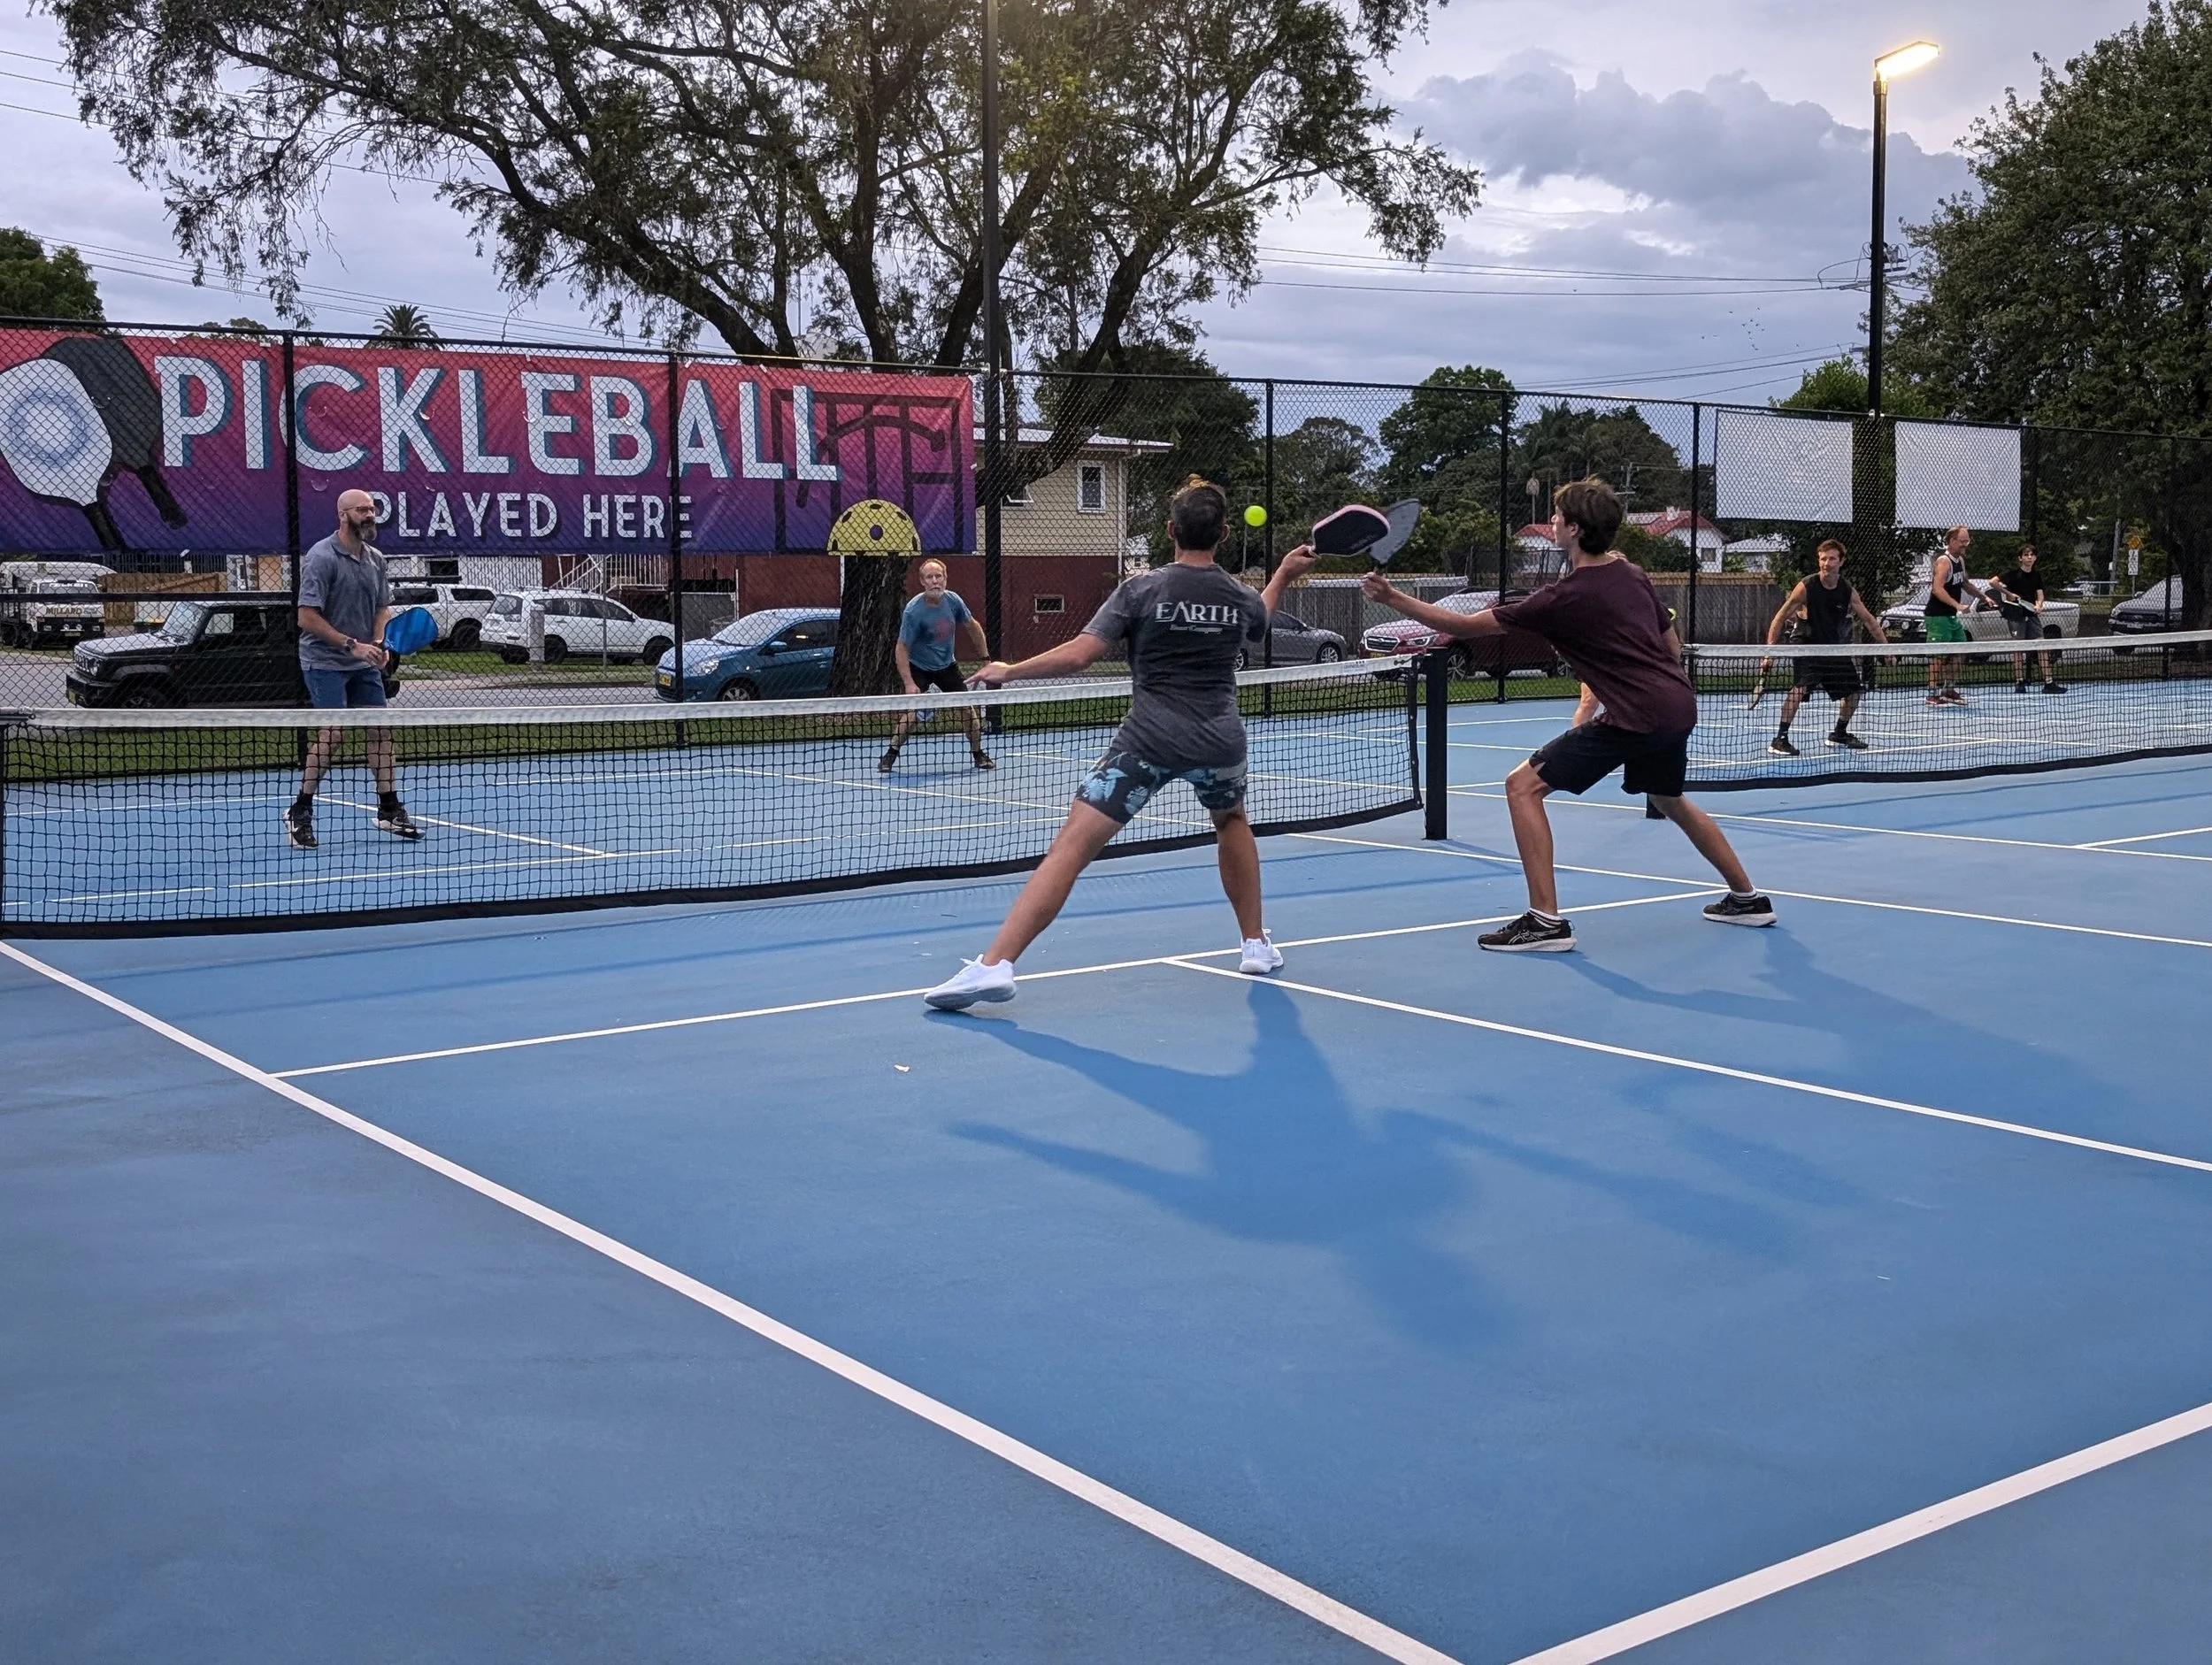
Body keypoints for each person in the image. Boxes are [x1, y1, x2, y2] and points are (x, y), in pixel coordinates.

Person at [923, 478, 1317, 1009]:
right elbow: (1259, 621)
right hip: (1219, 743)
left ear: (1171, 530)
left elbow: (1080, 655)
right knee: (1231, 822)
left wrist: (1010, 671)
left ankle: (994, 966)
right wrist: (1282, 576)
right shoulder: (1240, 597)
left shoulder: (1142, 589)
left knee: (1071, 848)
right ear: (1223, 533)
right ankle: (1254, 944)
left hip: (1148, 743)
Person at [1362, 478, 1773, 952]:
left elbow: (1464, 627)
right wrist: (1655, 685)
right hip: (1678, 705)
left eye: (1557, 516)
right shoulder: (1632, 574)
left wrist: (1393, 598)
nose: (1552, 522)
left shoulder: (1562, 598)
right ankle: (1748, 898)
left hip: (1638, 715)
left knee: (1522, 786)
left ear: (1574, 530)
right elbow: (1669, 641)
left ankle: (1544, 921)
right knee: (1668, 798)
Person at [284, 489, 421, 849]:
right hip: (324, 660)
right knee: (333, 734)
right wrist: (351, 645)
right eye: (362, 510)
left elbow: (382, 608)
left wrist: (377, 643)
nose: (370, 515)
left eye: (372, 510)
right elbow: (306, 617)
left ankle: (389, 808)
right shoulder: (321, 557)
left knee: (380, 730)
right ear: (343, 515)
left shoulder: (376, 559)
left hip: (363, 660)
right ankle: (301, 809)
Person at [1763, 538, 1888, 755]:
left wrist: (1887, 648)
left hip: (1833, 647)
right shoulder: (1806, 587)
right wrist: (1769, 652)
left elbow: (1869, 620)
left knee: (1854, 693)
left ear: (1841, 562)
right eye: (1823, 559)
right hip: (1806, 646)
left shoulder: (1847, 590)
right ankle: (1780, 739)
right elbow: (1780, 617)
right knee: (1799, 690)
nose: (1826, 563)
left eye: (1832, 559)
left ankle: (1839, 733)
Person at [881, 556, 995, 772]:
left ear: (945, 579)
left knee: (967, 710)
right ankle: (890, 754)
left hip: (947, 666)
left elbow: (973, 627)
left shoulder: (953, 601)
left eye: (938, 576)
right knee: (913, 713)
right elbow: (902, 648)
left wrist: (985, 658)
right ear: (923, 582)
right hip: (919, 667)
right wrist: (909, 683)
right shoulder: (913, 611)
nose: (935, 581)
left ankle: (978, 754)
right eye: (930, 577)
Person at [1988, 544, 2068, 694]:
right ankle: (2019, 682)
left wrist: (2039, 605)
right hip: (2016, 615)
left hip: (2032, 615)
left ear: (2035, 558)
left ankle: (2049, 683)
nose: (2029, 557)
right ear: (2020, 558)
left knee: (2042, 646)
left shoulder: (2036, 576)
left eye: (2032, 555)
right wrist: (2008, 593)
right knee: (2018, 648)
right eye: (2026, 555)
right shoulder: (2012, 574)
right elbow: (1992, 582)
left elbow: (2040, 594)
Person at [1923, 525, 1981, 707]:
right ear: (1952, 541)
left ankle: (1948, 690)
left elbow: (1965, 584)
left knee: (1960, 650)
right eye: (1963, 541)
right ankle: (1932, 694)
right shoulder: (1943, 561)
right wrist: (1958, 605)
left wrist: (1984, 596)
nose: (1966, 544)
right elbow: (1937, 589)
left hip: (1951, 617)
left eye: (1967, 541)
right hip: (1937, 616)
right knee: (1938, 655)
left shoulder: (1960, 561)